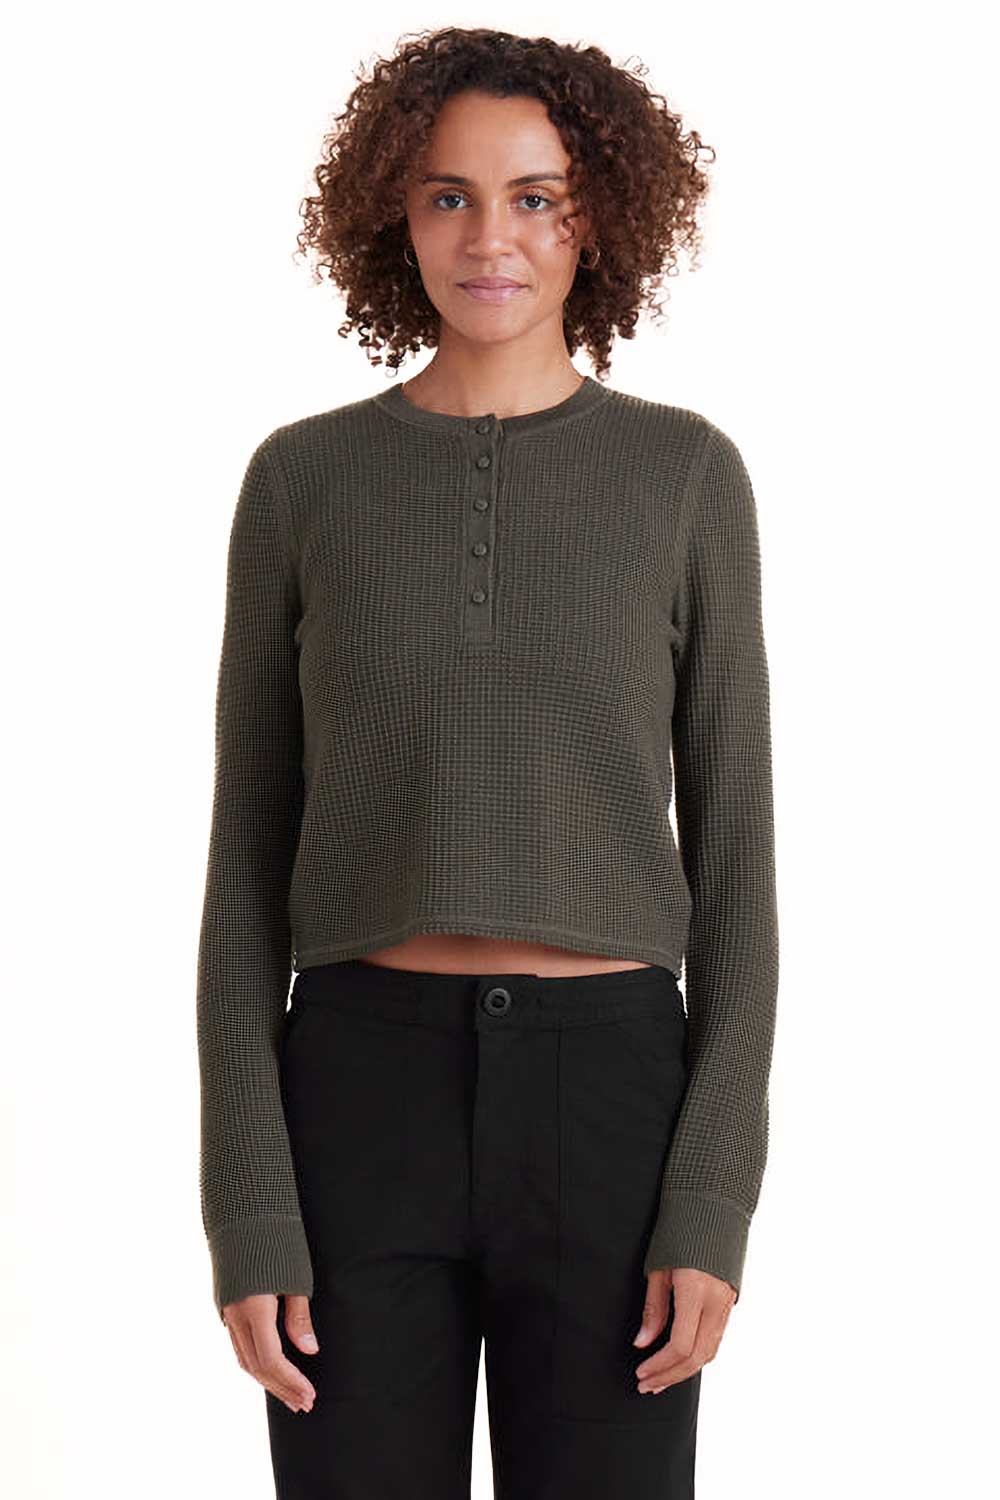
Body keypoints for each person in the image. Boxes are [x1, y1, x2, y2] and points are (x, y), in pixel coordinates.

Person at [195, 24, 779, 1500]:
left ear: (601, 218)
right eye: (449, 195)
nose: (490, 238)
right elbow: (245, 865)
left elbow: (737, 872)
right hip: (359, 1092)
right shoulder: (301, 481)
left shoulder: (686, 477)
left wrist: (713, 1198)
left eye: (536, 197)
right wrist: (247, 1205)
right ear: (393, 215)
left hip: (611, 1104)